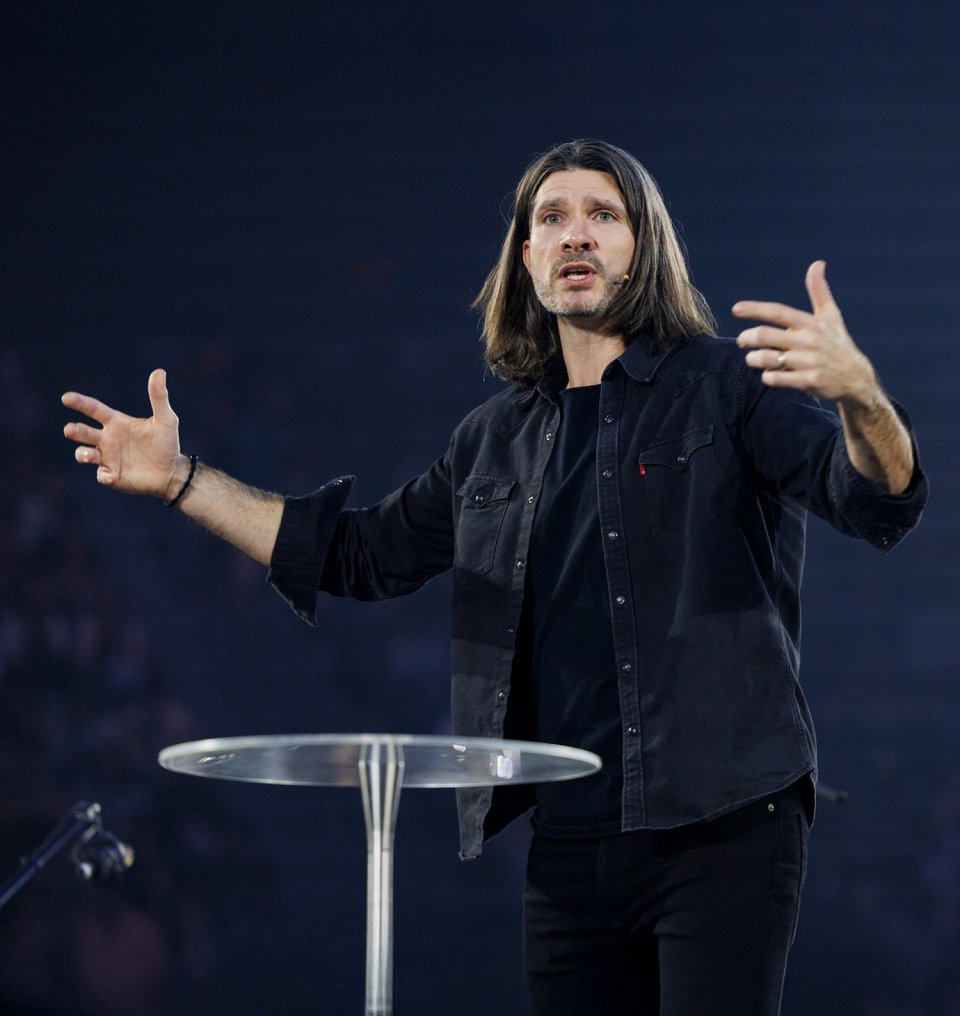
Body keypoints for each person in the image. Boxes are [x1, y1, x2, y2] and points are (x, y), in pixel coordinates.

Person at [63, 139, 926, 1016]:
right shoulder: (492, 440)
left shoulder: (724, 388)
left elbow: (873, 495)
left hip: (724, 826)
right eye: (551, 218)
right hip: (566, 844)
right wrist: (180, 480)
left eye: (603, 215)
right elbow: (356, 556)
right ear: (527, 257)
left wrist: (859, 395)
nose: (575, 235)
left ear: (645, 246)